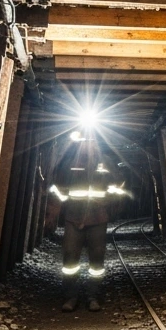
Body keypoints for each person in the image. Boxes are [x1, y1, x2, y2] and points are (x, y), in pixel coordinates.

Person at [50, 132, 125, 312]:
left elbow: (119, 186)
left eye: (91, 141)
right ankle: (70, 297)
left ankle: (93, 296)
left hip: (98, 218)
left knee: (96, 260)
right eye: (85, 141)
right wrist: (63, 207)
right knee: (70, 258)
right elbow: (57, 186)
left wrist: (107, 204)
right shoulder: (70, 163)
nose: (88, 145)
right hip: (73, 217)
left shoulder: (107, 162)